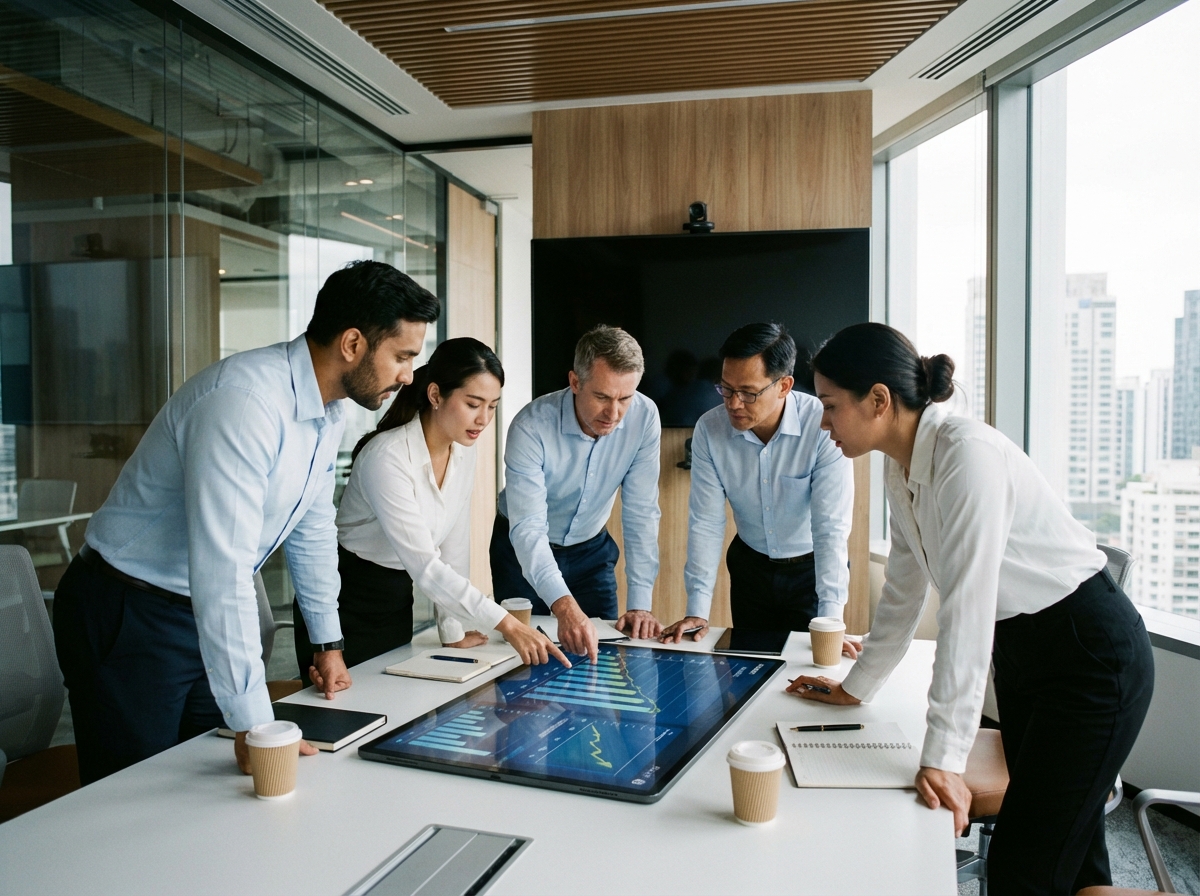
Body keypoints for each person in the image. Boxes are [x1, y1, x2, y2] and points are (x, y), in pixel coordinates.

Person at [790, 322, 1154, 895]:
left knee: (1021, 871)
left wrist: (943, 758)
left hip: (1089, 657)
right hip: (1024, 655)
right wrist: (856, 687)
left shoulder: (967, 455)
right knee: (1071, 858)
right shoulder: (899, 464)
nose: (823, 421)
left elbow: (967, 609)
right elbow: (904, 590)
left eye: (831, 405)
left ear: (879, 400)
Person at [52, 260, 440, 784]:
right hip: (130, 610)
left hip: (195, 610)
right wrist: (256, 723)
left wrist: (328, 641)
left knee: (210, 782)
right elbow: (224, 567)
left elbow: (312, 527)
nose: (408, 376)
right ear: (353, 344)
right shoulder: (245, 402)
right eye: (402, 356)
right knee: (134, 793)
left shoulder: (328, 411)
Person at [294, 338, 569, 672]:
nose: (483, 419)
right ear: (436, 395)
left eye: (492, 406)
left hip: (395, 597)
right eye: (473, 403)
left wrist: (451, 630)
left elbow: (453, 546)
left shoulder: (465, 450)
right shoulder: (387, 457)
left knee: (393, 707)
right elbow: (426, 564)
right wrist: (508, 624)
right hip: (343, 598)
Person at [661, 322, 858, 657]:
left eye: (748, 393)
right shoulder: (710, 429)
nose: (734, 404)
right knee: (751, 669)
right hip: (750, 567)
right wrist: (697, 610)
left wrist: (831, 621)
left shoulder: (821, 425)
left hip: (809, 573)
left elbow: (830, 529)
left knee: (807, 670)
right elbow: (706, 522)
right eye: (726, 389)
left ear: (784, 385)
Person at [490, 325, 663, 662]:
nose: (614, 414)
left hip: (591, 554)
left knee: (603, 656)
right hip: (520, 554)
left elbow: (642, 512)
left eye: (625, 398)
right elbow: (528, 529)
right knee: (524, 662)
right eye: (602, 397)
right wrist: (564, 606)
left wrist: (641, 603)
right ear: (575, 382)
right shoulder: (531, 426)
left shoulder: (645, 417)